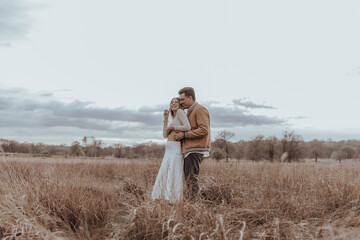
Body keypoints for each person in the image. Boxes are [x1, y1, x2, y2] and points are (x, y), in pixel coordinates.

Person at [173, 87, 210, 198]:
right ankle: (194, 201)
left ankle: (196, 204)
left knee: (191, 178)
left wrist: (184, 135)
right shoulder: (189, 111)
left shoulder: (200, 110)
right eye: (180, 100)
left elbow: (204, 130)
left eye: (182, 99)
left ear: (190, 97)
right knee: (190, 178)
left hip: (195, 148)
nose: (181, 102)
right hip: (191, 148)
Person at [151, 97, 191, 202]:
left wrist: (174, 128)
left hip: (176, 148)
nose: (173, 104)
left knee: (174, 172)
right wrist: (165, 119)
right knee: (164, 171)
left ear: (180, 105)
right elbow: (165, 135)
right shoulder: (173, 118)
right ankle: (161, 196)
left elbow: (187, 127)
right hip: (168, 149)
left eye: (176, 102)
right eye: (171, 102)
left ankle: (173, 199)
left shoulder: (180, 112)